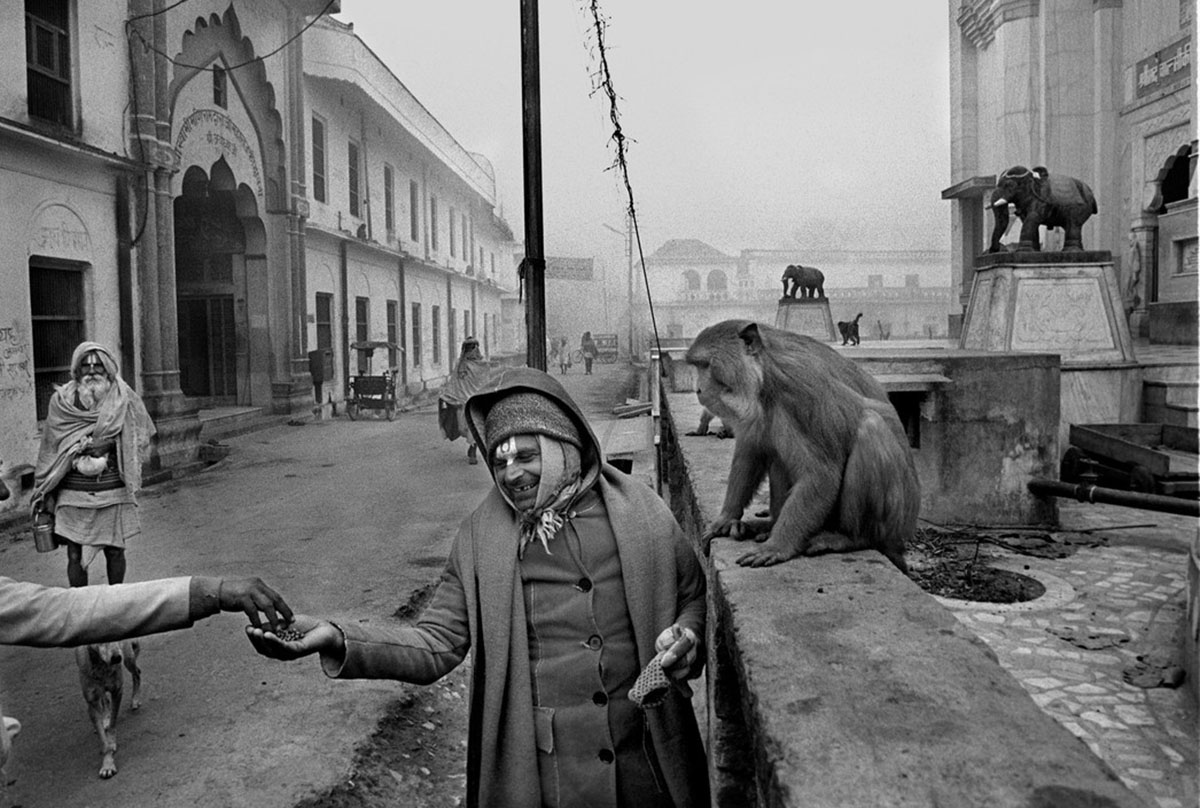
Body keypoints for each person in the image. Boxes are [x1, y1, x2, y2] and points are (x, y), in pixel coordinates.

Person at [248, 367, 709, 807]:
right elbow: (437, 642)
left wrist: (685, 638)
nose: (512, 473)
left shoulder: (642, 513)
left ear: (564, 447)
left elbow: (691, 596)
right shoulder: (479, 539)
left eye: (526, 456)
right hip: (551, 776)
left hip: (646, 766)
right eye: (500, 460)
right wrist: (337, 635)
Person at [31, 342, 156, 587]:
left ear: (108, 368)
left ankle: (115, 599)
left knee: (115, 551)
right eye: (85, 366)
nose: (91, 371)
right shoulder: (62, 401)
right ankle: (79, 604)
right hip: (72, 492)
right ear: (76, 370)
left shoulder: (123, 396)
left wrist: (109, 445)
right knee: (74, 554)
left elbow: (139, 435)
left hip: (112, 490)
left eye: (98, 366)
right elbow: (51, 446)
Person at [438, 337, 491, 464]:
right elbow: (455, 384)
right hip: (462, 403)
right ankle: (472, 447)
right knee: (463, 428)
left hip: (476, 402)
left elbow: (485, 383)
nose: (472, 351)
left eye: (473, 347)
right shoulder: (461, 365)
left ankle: (473, 450)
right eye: (468, 348)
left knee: (475, 428)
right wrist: (447, 396)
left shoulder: (483, 365)